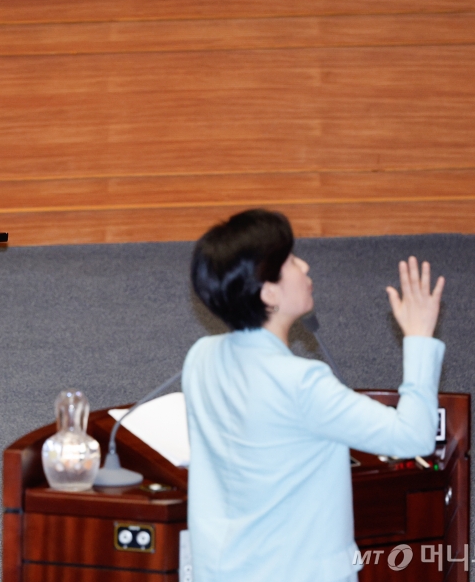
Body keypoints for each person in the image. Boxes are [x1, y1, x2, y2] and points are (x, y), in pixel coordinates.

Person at [182, 209, 446, 581]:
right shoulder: (302, 383)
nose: (304, 267)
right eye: (290, 261)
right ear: (269, 292)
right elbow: (413, 435)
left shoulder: (200, 358)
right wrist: (418, 339)